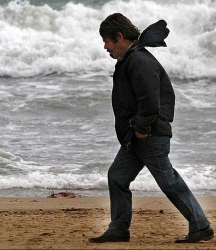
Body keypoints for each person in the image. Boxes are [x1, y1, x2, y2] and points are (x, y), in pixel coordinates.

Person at [89, 13, 214, 244]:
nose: (104, 46)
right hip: (135, 135)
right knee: (117, 176)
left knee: (168, 180)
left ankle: (201, 225)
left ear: (119, 36)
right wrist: (134, 132)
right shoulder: (131, 58)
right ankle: (118, 229)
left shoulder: (139, 61)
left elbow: (150, 101)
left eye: (106, 40)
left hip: (148, 134)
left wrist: (142, 130)